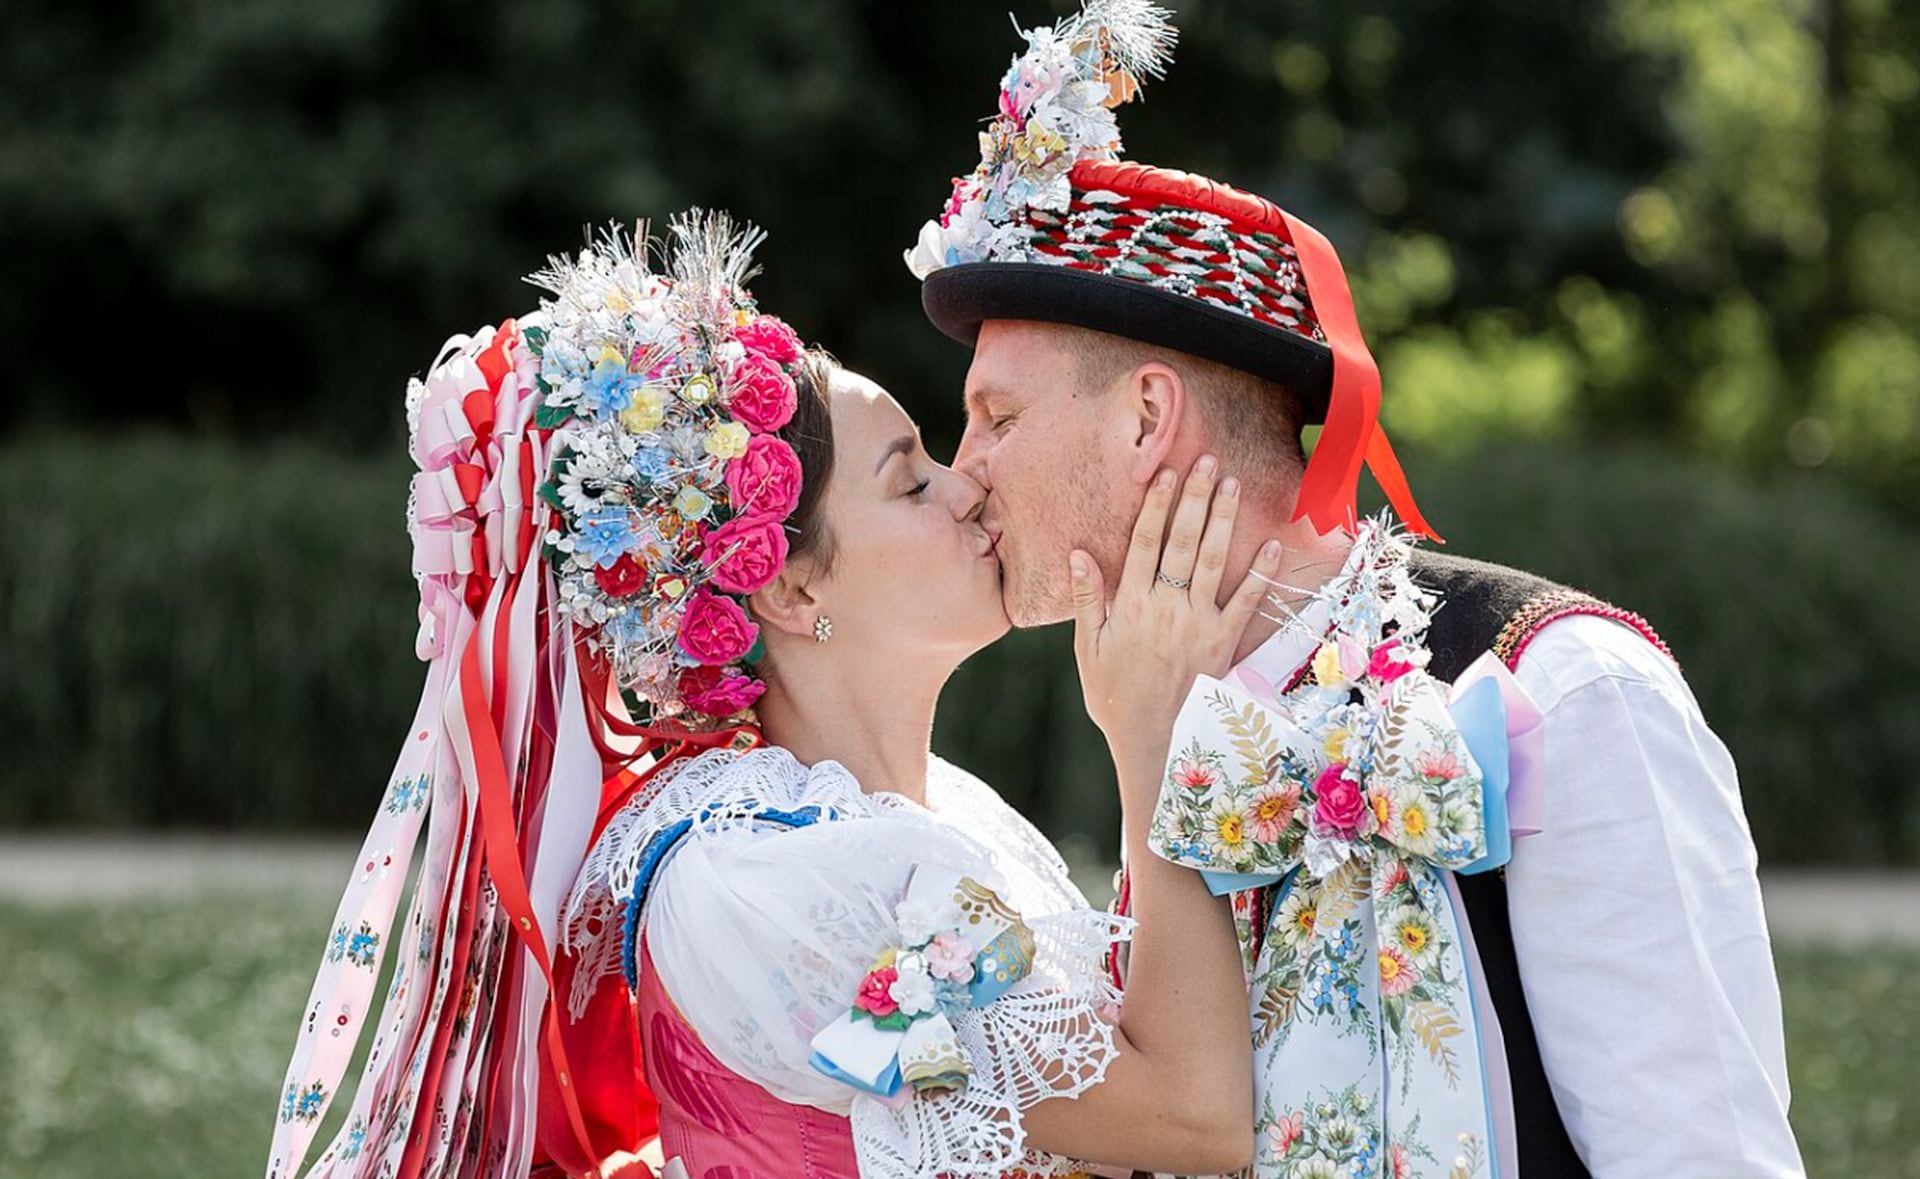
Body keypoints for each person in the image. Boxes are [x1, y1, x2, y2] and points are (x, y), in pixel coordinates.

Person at [904, 3, 1806, 1177]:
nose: (962, 474)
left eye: (998, 418)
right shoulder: (1149, 719)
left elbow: (1703, 1156)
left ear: (1145, 420)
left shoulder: (1565, 691)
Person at [265, 210, 1266, 1179]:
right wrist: (1155, 740)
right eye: (911, 483)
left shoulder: (950, 816)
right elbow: (1195, 1118)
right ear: (791, 587)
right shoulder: (758, 883)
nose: (969, 486)